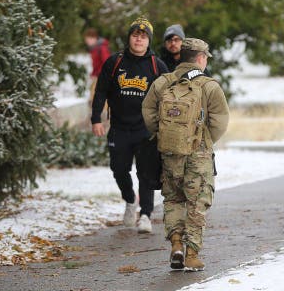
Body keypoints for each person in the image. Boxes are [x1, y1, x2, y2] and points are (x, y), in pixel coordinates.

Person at [142, 38, 229, 271]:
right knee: (197, 201)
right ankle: (191, 254)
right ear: (201, 58)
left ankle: (176, 245)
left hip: (170, 152)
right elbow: (220, 121)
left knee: (173, 199)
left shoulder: (163, 82)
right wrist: (204, 140)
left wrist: (163, 134)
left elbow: (148, 111)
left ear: (182, 56)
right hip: (198, 154)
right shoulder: (209, 86)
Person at [91, 17, 169, 233]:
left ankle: (145, 214)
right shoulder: (115, 62)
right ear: (129, 38)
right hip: (119, 128)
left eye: (143, 37)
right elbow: (100, 92)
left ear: (149, 41)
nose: (138, 40)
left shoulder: (157, 66)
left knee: (146, 173)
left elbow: (169, 96)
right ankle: (129, 200)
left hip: (146, 129)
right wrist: (96, 119)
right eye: (135, 35)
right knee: (118, 169)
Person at [84, 28, 111, 105]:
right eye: (86, 39)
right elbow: (96, 64)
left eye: (89, 39)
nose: (87, 41)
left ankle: (102, 113)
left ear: (94, 38)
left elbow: (107, 62)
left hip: (102, 75)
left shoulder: (102, 48)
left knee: (97, 95)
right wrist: (93, 73)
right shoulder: (94, 48)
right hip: (98, 75)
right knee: (93, 94)